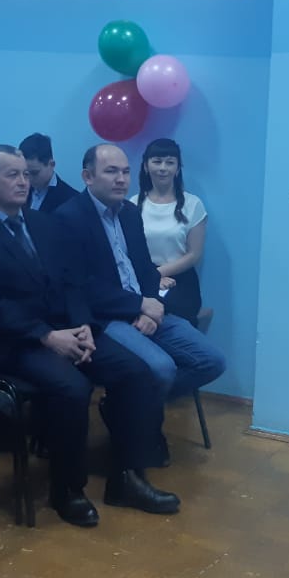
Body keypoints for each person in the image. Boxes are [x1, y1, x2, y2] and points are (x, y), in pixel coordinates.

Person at [0, 145, 179, 527]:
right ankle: (68, 490)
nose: (23, 182)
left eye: (25, 174)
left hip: (61, 330)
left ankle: (127, 478)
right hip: (4, 343)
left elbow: (71, 283)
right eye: (12, 175)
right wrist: (47, 336)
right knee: (72, 387)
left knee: (134, 371)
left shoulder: (42, 224)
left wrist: (83, 325)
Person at [56, 144, 225, 402]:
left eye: (125, 172)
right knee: (161, 368)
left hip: (144, 306)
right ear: (88, 177)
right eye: (111, 171)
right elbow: (83, 286)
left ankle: (128, 404)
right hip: (108, 315)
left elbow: (145, 268)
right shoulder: (69, 217)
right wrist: (139, 304)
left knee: (213, 361)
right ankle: (136, 411)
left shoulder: (130, 212)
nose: (121, 179)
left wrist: (151, 307)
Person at [130, 138, 208, 323]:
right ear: (146, 166)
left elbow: (194, 255)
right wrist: (151, 276)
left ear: (178, 168)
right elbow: (128, 252)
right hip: (142, 277)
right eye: (157, 161)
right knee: (135, 316)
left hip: (180, 281)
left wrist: (159, 274)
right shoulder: (132, 204)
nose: (163, 168)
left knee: (165, 316)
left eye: (170, 162)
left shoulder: (193, 204)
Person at [18, 133, 79, 213]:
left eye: (34, 173)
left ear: (51, 164)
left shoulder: (72, 199)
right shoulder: (18, 190)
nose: (28, 179)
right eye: (25, 173)